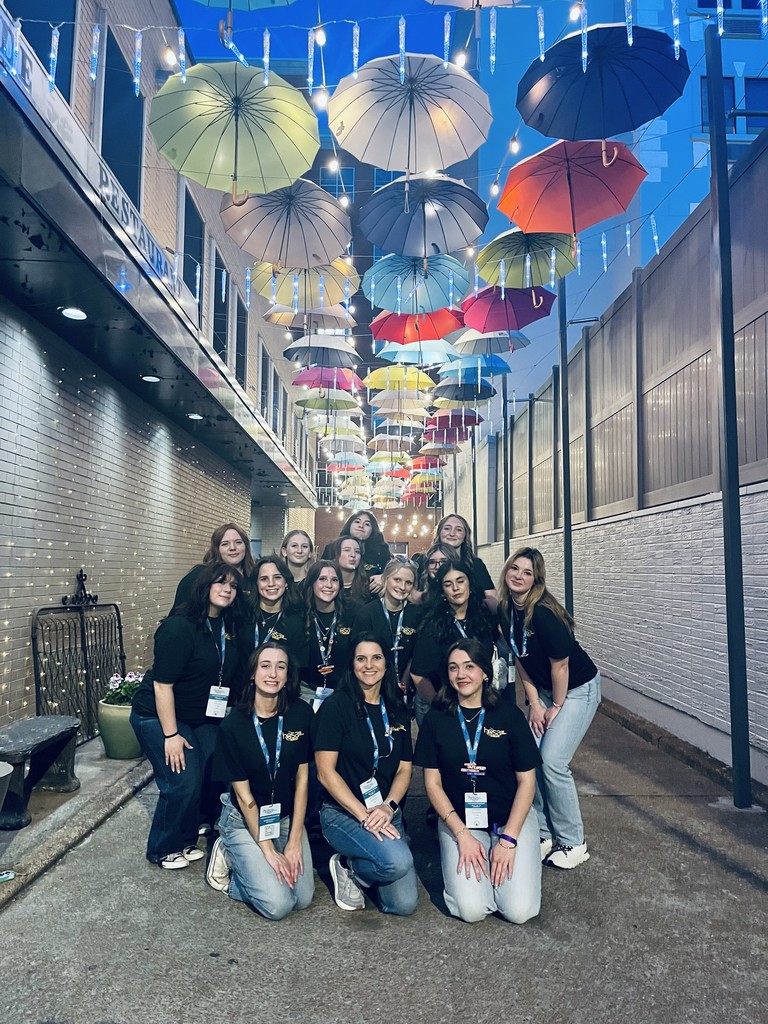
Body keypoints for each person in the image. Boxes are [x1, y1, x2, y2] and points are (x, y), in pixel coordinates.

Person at [414, 639, 541, 924]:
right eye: (454, 667)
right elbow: (432, 785)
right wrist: (462, 836)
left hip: (508, 819)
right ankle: (479, 866)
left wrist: (508, 840)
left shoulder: (509, 716)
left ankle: (507, 863)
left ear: (485, 671)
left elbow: (527, 782)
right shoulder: (437, 719)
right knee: (471, 909)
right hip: (459, 822)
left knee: (518, 911)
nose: (462, 674)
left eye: (469, 666)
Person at [130, 561, 246, 869]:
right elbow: (162, 686)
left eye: (233, 586)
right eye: (220, 583)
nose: (227, 589)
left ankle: (185, 839)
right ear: (204, 586)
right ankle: (162, 847)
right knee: (182, 780)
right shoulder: (179, 626)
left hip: (200, 716)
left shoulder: (227, 625)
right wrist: (170, 735)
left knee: (210, 770)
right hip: (158, 715)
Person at [498, 547, 600, 869]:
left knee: (553, 761)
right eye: (515, 568)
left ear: (536, 580)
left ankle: (573, 842)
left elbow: (561, 666)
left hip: (577, 689)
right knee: (530, 758)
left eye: (527, 572)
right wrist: (534, 703)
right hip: (543, 691)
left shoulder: (543, 612)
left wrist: (555, 705)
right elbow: (519, 656)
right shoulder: (506, 609)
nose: (519, 576)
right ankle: (543, 834)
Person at [207, 642, 314, 919]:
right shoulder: (234, 725)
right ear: (253, 674)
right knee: (279, 905)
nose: (273, 673)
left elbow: (302, 778)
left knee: (302, 899)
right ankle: (229, 859)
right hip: (244, 819)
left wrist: (293, 840)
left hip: (285, 816)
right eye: (265, 666)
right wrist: (267, 850)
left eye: (281, 667)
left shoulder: (301, 713)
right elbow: (244, 797)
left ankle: (255, 865)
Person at [313, 635, 418, 915]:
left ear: (386, 665)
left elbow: (405, 769)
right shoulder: (336, 707)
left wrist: (388, 806)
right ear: (352, 664)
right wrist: (364, 816)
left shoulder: (396, 708)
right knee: (397, 863)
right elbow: (325, 773)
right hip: (344, 813)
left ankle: (358, 869)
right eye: (361, 658)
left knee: (403, 905)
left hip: (384, 811)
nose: (369, 665)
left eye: (376, 658)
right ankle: (353, 863)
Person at [411, 561, 499, 725]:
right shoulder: (433, 625)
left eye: (460, 581)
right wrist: (440, 705)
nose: (456, 588)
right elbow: (418, 673)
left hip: (478, 703)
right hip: (443, 705)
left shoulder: (483, 618)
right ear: (443, 591)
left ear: (470, 584)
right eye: (448, 584)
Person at [352, 559, 422, 693]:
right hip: (372, 687)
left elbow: (417, 655)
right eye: (397, 580)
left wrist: (404, 683)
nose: (402, 587)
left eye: (408, 583)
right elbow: (358, 656)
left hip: (407, 688)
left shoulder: (417, 614)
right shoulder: (367, 613)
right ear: (385, 579)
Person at [299, 560, 355, 709]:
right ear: (311, 582)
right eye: (322, 579)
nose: (329, 585)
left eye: (334, 580)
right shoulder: (299, 615)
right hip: (306, 692)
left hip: (343, 692)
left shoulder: (353, 614)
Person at [172, 523, 256, 611]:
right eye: (225, 544)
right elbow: (178, 613)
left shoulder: (254, 578)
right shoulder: (199, 575)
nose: (232, 548)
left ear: (246, 546)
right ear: (217, 549)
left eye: (238, 542)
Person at [248, 555, 306, 662]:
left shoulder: (296, 622)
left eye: (277, 577)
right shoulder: (243, 614)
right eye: (264, 579)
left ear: (286, 582)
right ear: (256, 584)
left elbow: (297, 667)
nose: (271, 584)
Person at [432, 514, 496, 608]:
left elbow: (492, 598)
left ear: (465, 536)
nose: (452, 533)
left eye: (458, 530)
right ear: (439, 532)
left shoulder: (475, 564)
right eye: (447, 528)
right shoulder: (425, 561)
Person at [322, 511, 391, 595]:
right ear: (349, 525)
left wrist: (384, 577)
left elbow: (395, 569)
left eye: (367, 524)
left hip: (368, 598)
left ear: (372, 530)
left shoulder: (380, 551)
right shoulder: (331, 548)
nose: (361, 526)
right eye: (357, 522)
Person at [326, 536, 372, 609]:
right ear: (335, 554)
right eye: (347, 550)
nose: (353, 555)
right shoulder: (326, 584)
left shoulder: (370, 584)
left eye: (357, 551)